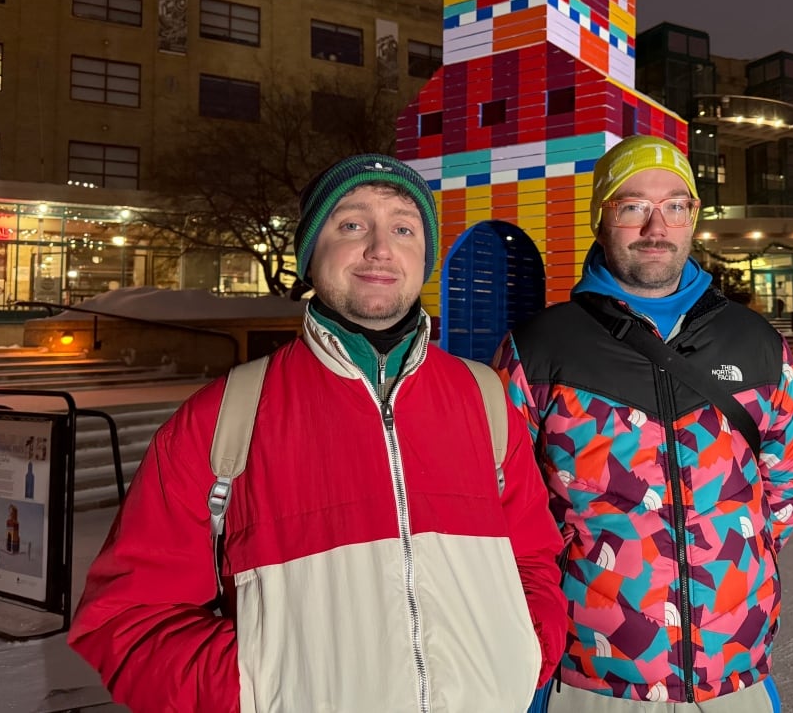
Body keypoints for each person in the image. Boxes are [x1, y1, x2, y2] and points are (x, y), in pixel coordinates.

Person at [69, 153, 568, 712]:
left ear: (423, 255)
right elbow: (128, 622)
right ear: (310, 254)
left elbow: (533, 559)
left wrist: (523, 651)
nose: (380, 247)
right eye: (352, 224)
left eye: (403, 228)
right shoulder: (222, 417)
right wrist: (261, 688)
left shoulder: (484, 400)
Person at [494, 136, 793, 711]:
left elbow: (785, 486)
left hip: (733, 672)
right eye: (633, 206)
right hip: (591, 675)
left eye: (675, 205)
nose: (655, 226)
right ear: (601, 219)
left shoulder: (757, 342)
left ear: (693, 218)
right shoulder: (539, 348)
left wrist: (734, 567)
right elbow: (508, 502)